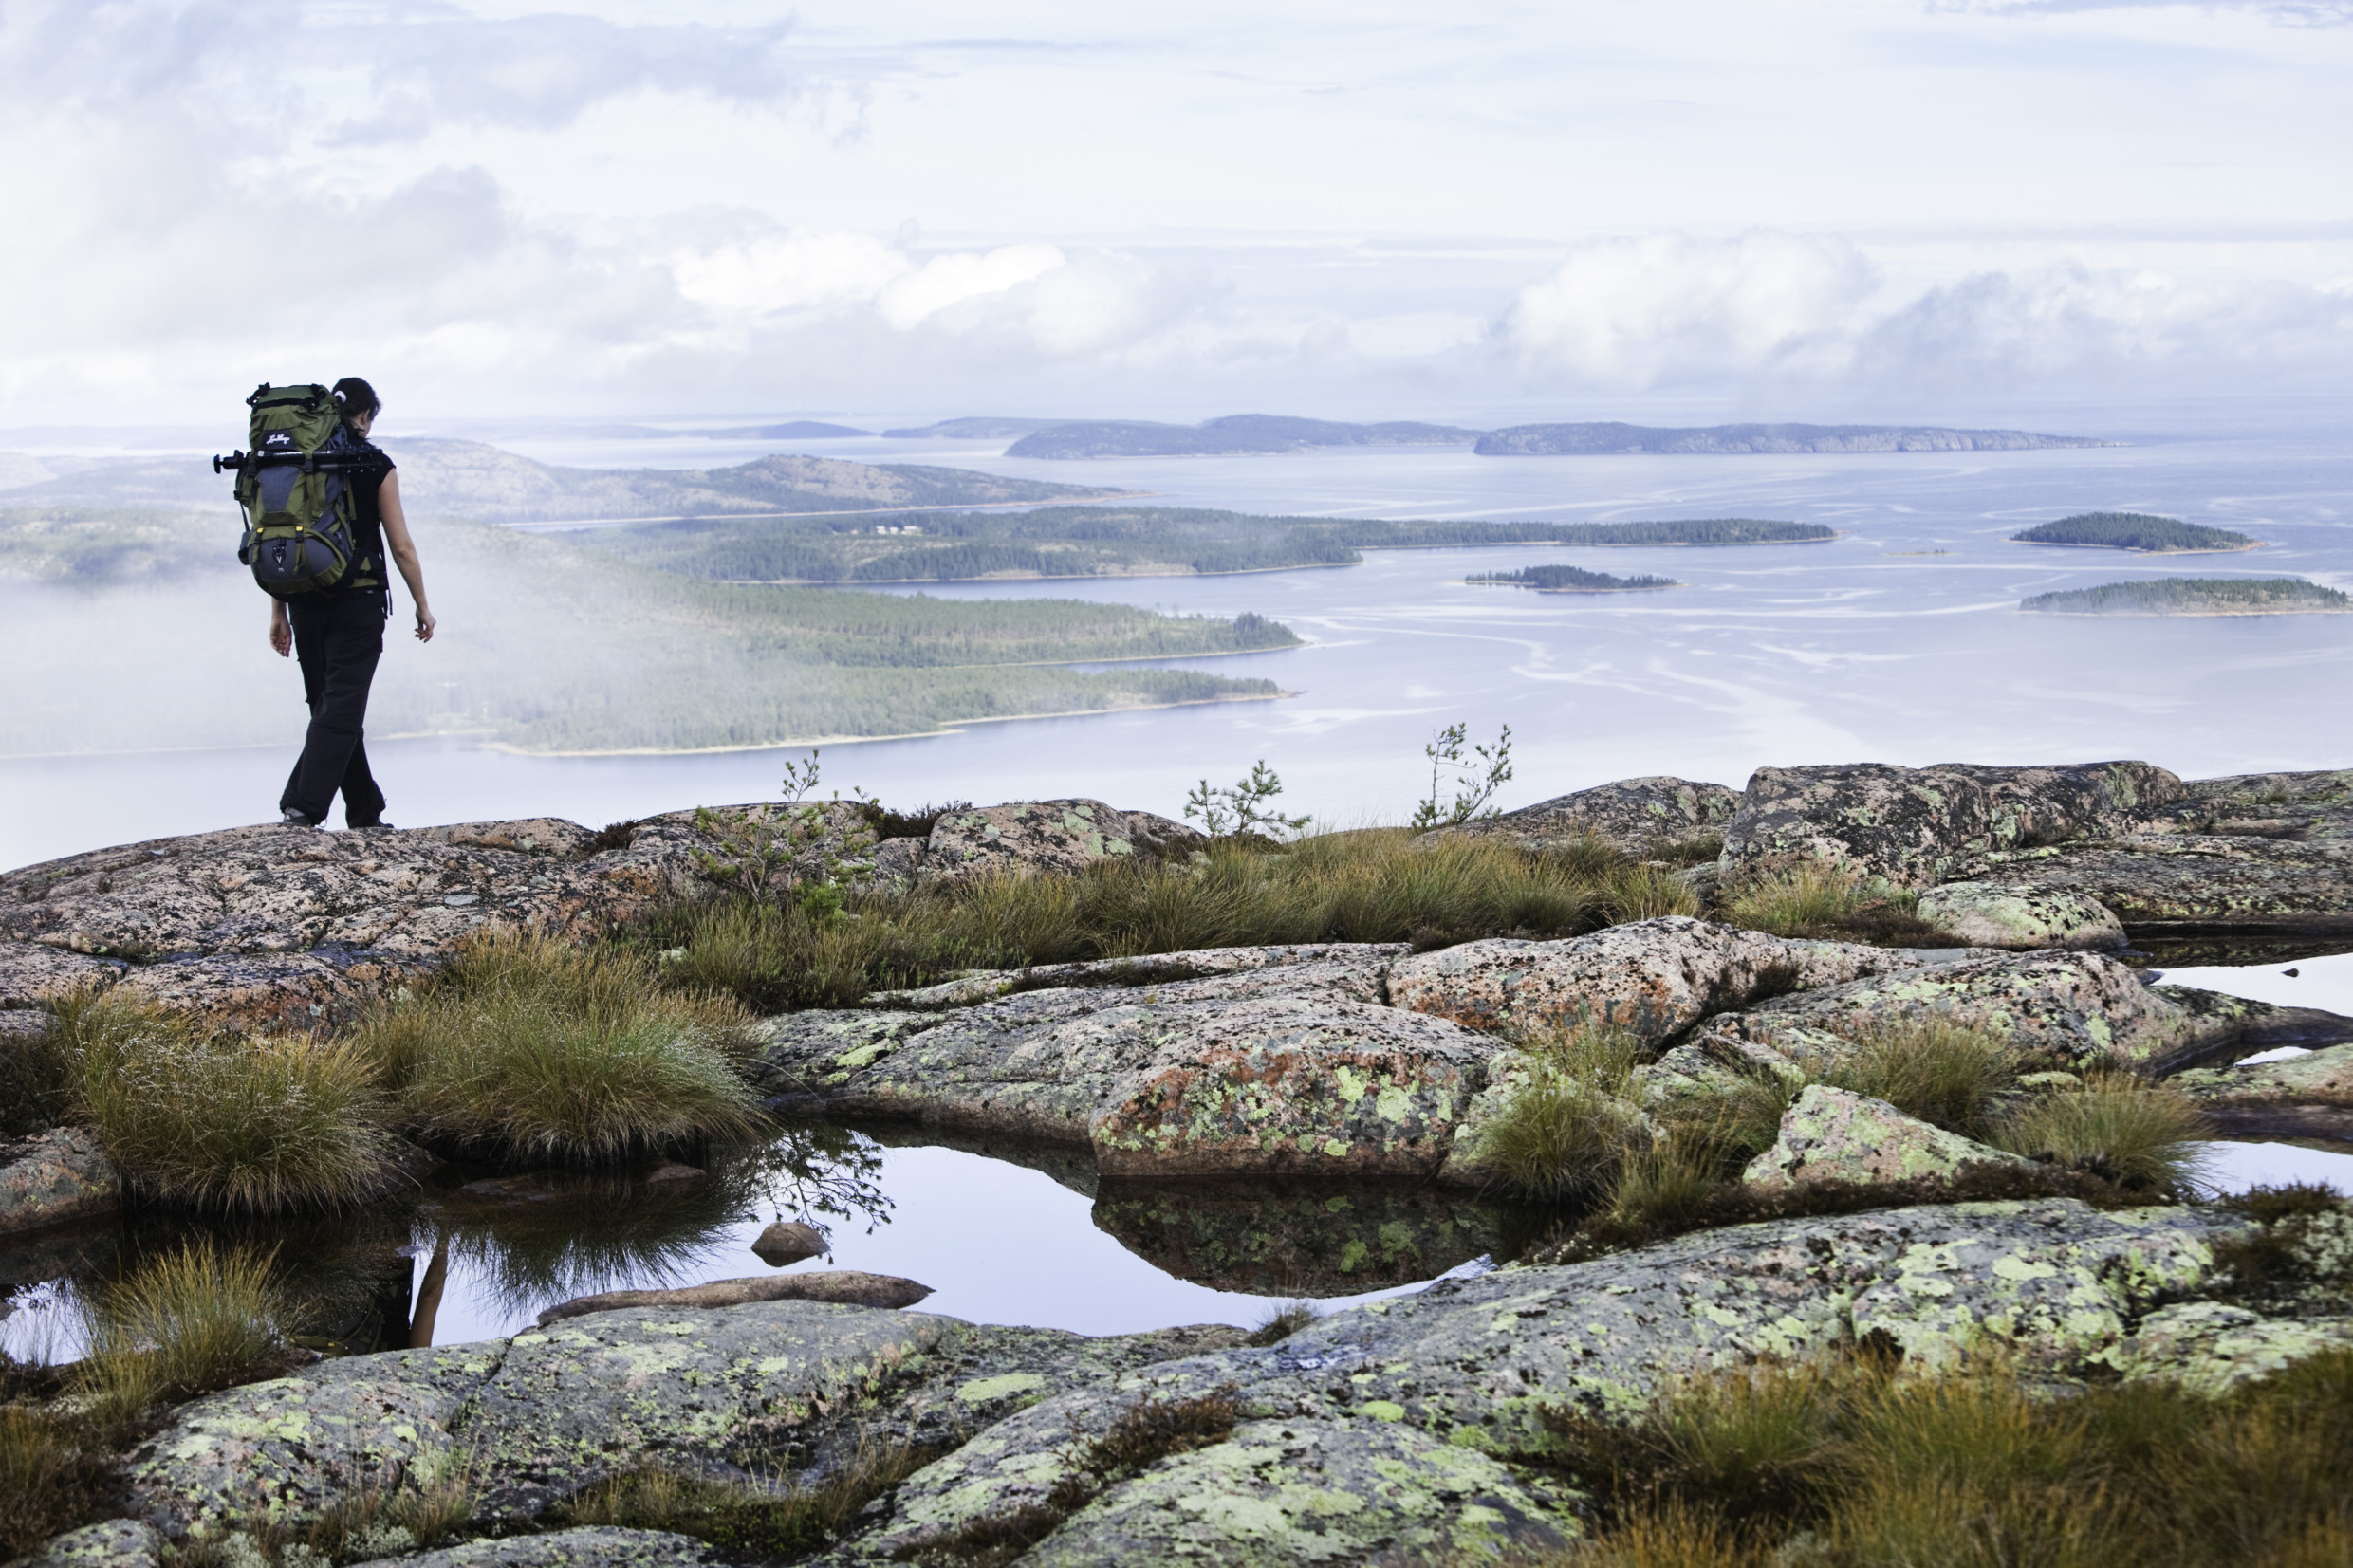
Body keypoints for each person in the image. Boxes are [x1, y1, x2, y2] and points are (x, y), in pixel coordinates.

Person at [269, 377, 436, 828]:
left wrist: (278, 610)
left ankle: (364, 811)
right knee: (340, 709)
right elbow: (400, 545)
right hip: (357, 603)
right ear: (363, 416)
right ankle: (302, 806)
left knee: (330, 709)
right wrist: (422, 604)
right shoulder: (374, 464)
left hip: (304, 601)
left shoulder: (296, 462)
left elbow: (283, 538)